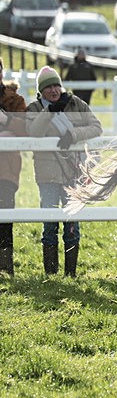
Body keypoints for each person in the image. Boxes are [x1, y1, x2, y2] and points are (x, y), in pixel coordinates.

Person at [25, 66, 102, 276]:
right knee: (49, 224)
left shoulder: (76, 103)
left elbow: (96, 127)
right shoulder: (33, 109)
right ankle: (51, 274)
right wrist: (49, 111)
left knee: (72, 226)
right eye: (48, 87)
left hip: (73, 172)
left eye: (56, 85)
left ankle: (70, 274)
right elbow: (34, 132)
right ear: (41, 91)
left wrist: (73, 134)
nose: (54, 90)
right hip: (48, 175)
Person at [0, 58, 26, 275]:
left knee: (5, 220)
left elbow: (25, 129)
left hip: (6, 169)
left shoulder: (14, 100)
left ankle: (6, 267)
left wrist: (6, 122)